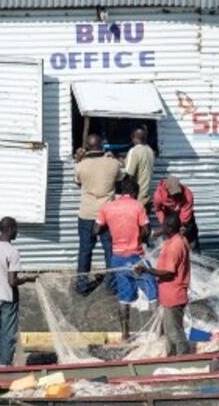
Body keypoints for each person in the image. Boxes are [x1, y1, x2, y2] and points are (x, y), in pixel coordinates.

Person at [95, 178, 158, 339]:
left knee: (124, 298)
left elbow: (96, 229)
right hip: (136, 257)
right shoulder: (137, 206)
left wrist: (112, 229)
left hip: (117, 258)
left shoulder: (107, 207)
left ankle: (125, 335)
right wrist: (138, 233)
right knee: (152, 291)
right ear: (134, 193)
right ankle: (158, 332)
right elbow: (146, 230)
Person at [0, 217, 35, 367]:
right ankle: (4, 365)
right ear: (10, 230)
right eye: (16, 229)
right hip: (8, 298)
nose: (17, 232)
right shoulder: (12, 251)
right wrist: (27, 279)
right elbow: (12, 281)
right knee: (8, 335)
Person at [136, 213, 192, 356]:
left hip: (174, 294)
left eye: (163, 226)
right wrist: (160, 232)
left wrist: (147, 270)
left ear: (169, 228)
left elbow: (168, 273)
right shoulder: (177, 239)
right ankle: (172, 357)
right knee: (169, 332)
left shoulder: (175, 245)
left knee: (175, 332)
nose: (161, 228)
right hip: (171, 294)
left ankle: (184, 358)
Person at [73, 134, 121, 295]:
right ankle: (112, 286)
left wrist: (79, 159)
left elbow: (78, 182)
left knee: (85, 250)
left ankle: (82, 287)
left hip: (86, 213)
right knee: (110, 250)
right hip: (107, 214)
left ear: (87, 147)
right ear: (103, 145)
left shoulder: (80, 166)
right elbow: (121, 178)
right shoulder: (113, 164)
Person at [153, 175, 198, 251]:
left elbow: (186, 213)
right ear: (167, 190)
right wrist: (165, 223)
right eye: (173, 194)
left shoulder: (187, 194)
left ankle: (193, 254)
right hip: (170, 218)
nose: (175, 195)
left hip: (186, 220)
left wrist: (183, 226)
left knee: (191, 245)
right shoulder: (158, 195)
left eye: (177, 193)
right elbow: (158, 210)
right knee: (170, 247)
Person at [122, 126, 156, 196]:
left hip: (137, 195)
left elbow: (128, 175)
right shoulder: (150, 150)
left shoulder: (134, 151)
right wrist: (123, 161)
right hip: (147, 194)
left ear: (132, 137)